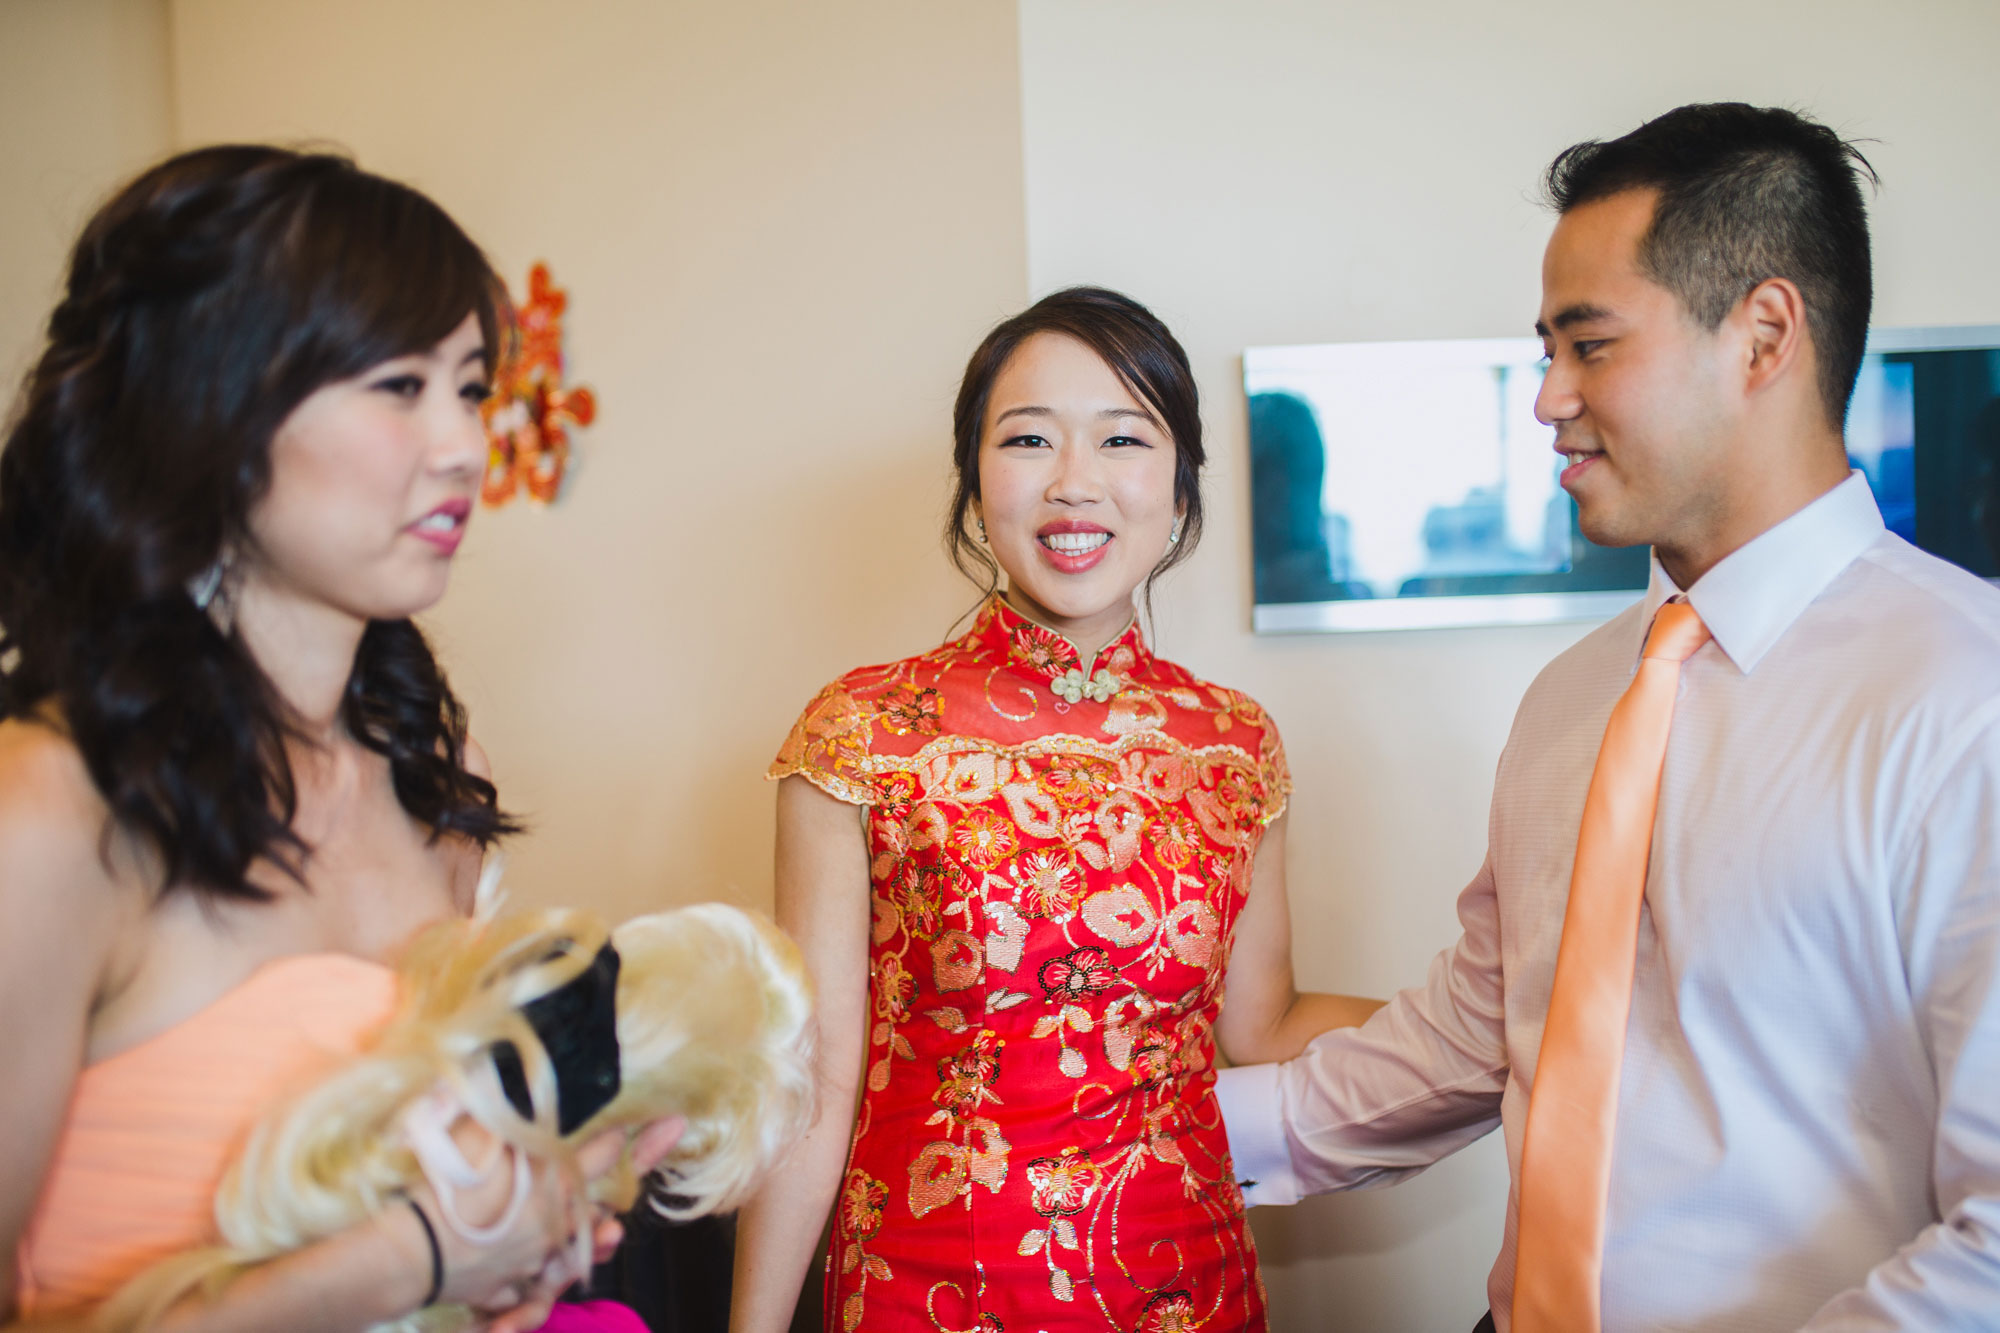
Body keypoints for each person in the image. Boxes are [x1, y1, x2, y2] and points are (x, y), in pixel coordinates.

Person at [1217, 102, 2000, 1332]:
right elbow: (1479, 1033)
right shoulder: (1574, 700)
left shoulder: (1966, 700)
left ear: (1761, 336)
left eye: (1587, 346)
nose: (1544, 399)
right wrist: (1124, 1146)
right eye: (1544, 351)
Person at [0, 145, 677, 1333]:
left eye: (469, 388)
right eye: (396, 385)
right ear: (211, 404)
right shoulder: (54, 812)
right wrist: (407, 1257)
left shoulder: (436, 798)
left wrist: (513, 1249)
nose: (464, 446)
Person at [730, 288, 1381, 1333]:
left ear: (1177, 490)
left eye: (1123, 438)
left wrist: (1499, 1020)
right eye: (1028, 439)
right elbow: (810, 1085)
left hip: (1187, 1288)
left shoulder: (1232, 745)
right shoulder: (862, 732)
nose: (1074, 484)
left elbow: (1260, 1027)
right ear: (975, 483)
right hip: (925, 1290)